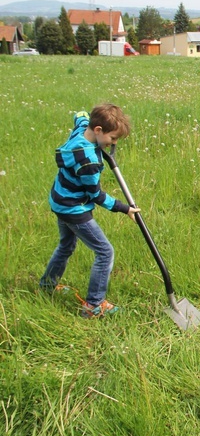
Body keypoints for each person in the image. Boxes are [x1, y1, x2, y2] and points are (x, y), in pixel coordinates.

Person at [40, 104, 139, 318]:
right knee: (105, 252)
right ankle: (94, 305)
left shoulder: (81, 130)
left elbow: (80, 115)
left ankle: (47, 286)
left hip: (60, 201)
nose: (114, 144)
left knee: (66, 245)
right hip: (74, 209)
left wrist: (98, 114)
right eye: (113, 139)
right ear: (98, 131)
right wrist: (124, 208)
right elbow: (96, 195)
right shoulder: (89, 162)